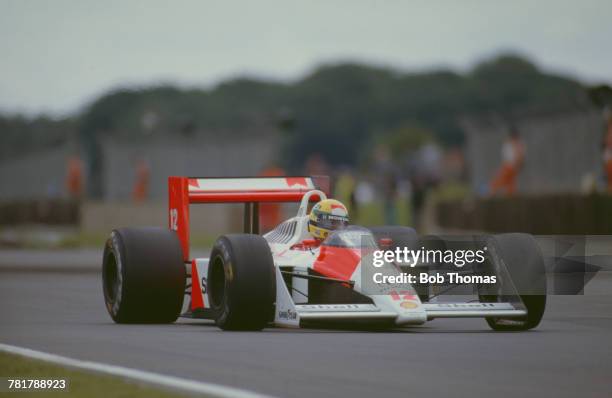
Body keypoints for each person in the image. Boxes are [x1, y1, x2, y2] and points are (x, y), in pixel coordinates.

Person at [490, 128, 525, 195]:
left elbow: (520, 157)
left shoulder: (518, 144)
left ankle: (492, 192)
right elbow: (508, 156)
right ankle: (491, 192)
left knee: (508, 182)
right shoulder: (509, 144)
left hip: (512, 167)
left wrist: (519, 164)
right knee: (505, 181)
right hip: (508, 166)